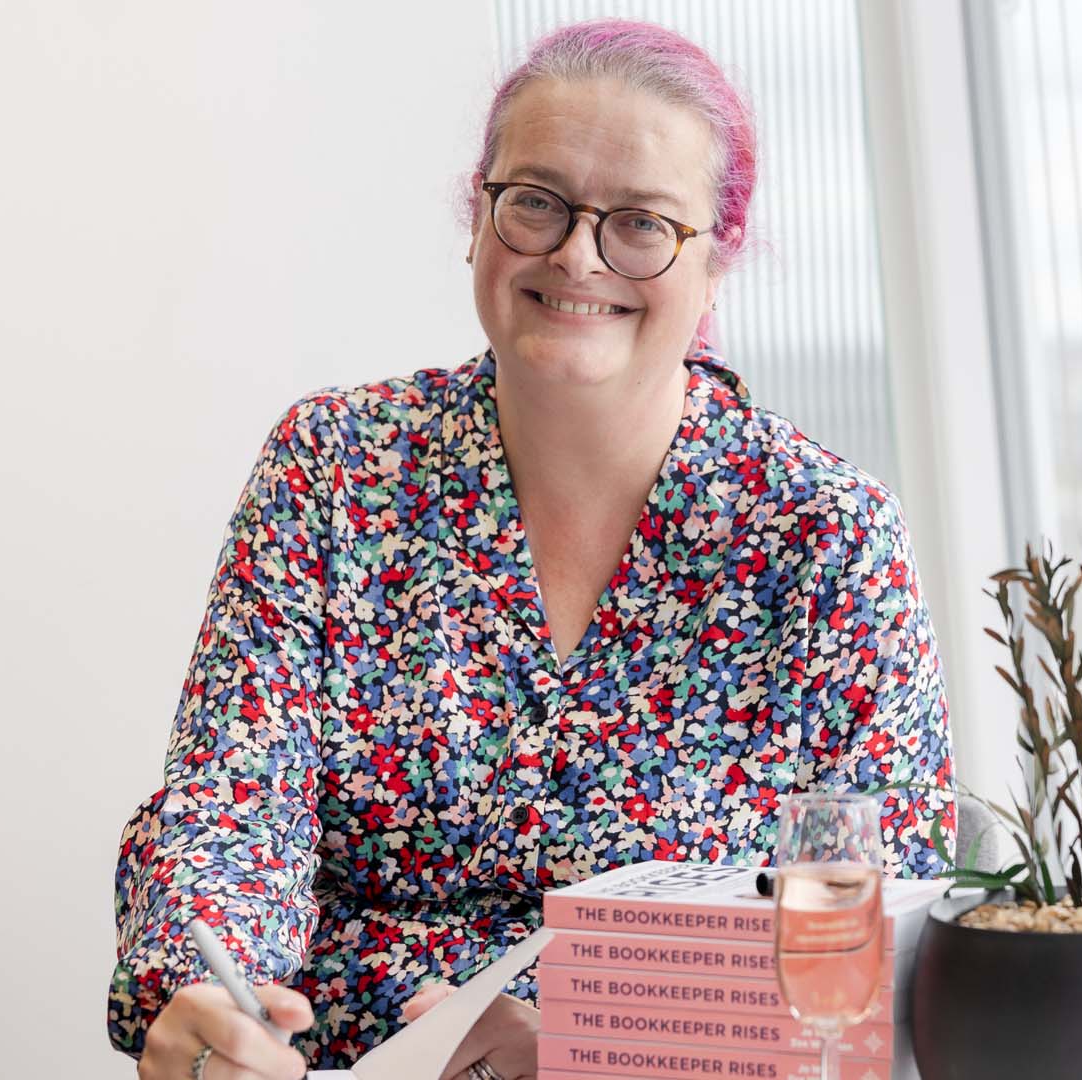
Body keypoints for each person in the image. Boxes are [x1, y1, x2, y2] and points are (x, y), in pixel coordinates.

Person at [108, 18, 954, 1080]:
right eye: (537, 203)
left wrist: (606, 1049)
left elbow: (886, 935)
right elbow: (232, 808)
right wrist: (205, 992)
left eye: (640, 223)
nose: (576, 255)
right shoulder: (331, 468)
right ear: (478, 218)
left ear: (718, 264)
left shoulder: (829, 534)